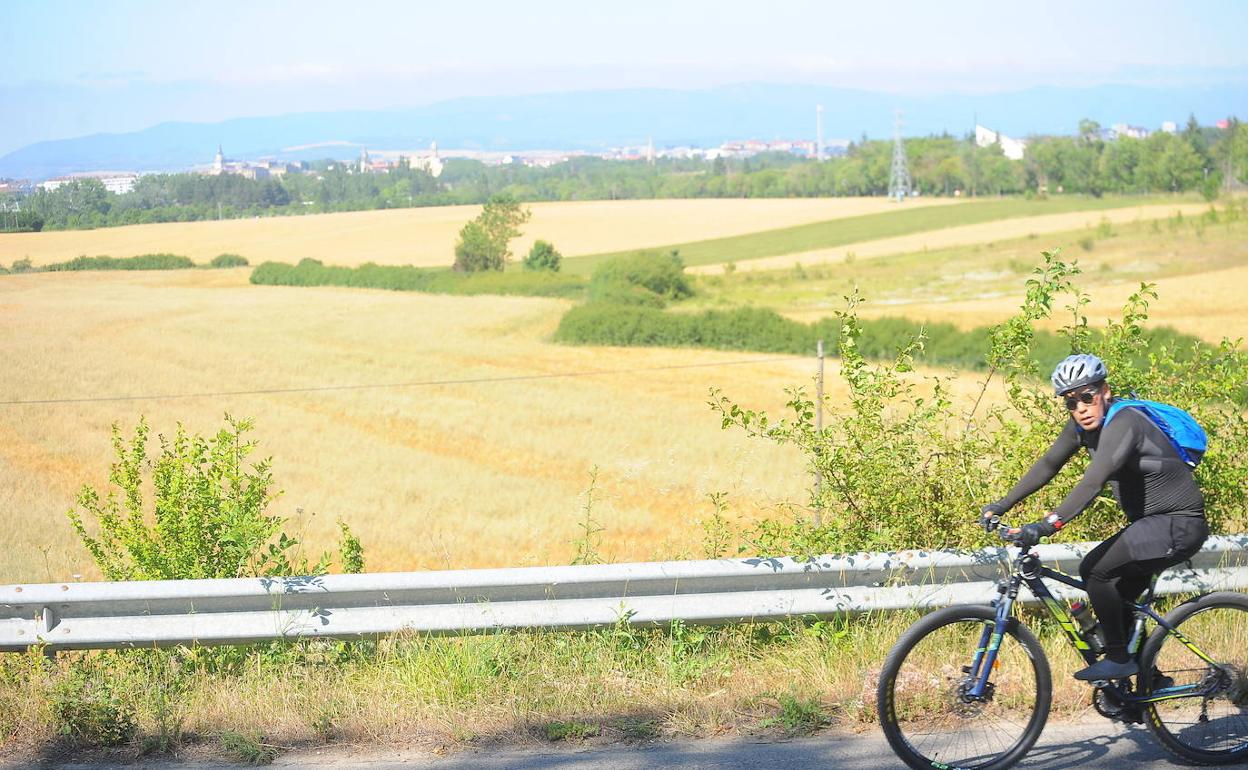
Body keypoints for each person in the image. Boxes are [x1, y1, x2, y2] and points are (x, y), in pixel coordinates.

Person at [980, 353, 1208, 681]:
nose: (1080, 408)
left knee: (1096, 571)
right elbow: (1048, 466)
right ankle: (1146, 683)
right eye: (1070, 403)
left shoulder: (1126, 422)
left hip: (1177, 524)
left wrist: (1046, 525)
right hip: (1152, 526)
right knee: (1117, 598)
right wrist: (1001, 505)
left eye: (1087, 397)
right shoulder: (1082, 428)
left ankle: (1118, 659)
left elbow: (1093, 481)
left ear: (1105, 391)